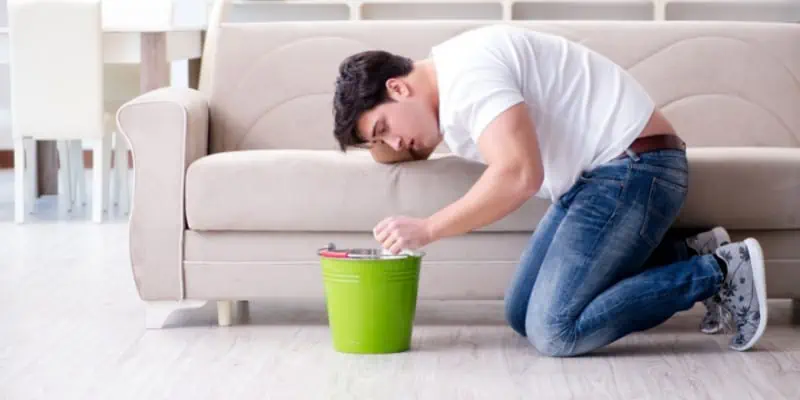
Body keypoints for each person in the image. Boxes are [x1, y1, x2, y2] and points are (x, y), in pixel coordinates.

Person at [331, 24, 767, 356]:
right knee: (520, 313)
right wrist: (382, 138)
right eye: (378, 140)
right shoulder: (446, 83)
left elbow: (520, 175)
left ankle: (720, 271)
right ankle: (688, 253)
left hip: (638, 167)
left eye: (385, 128)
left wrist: (427, 228)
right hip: (595, 180)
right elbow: (406, 150)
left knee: (556, 331)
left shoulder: (467, 78)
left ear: (397, 86)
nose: (393, 144)